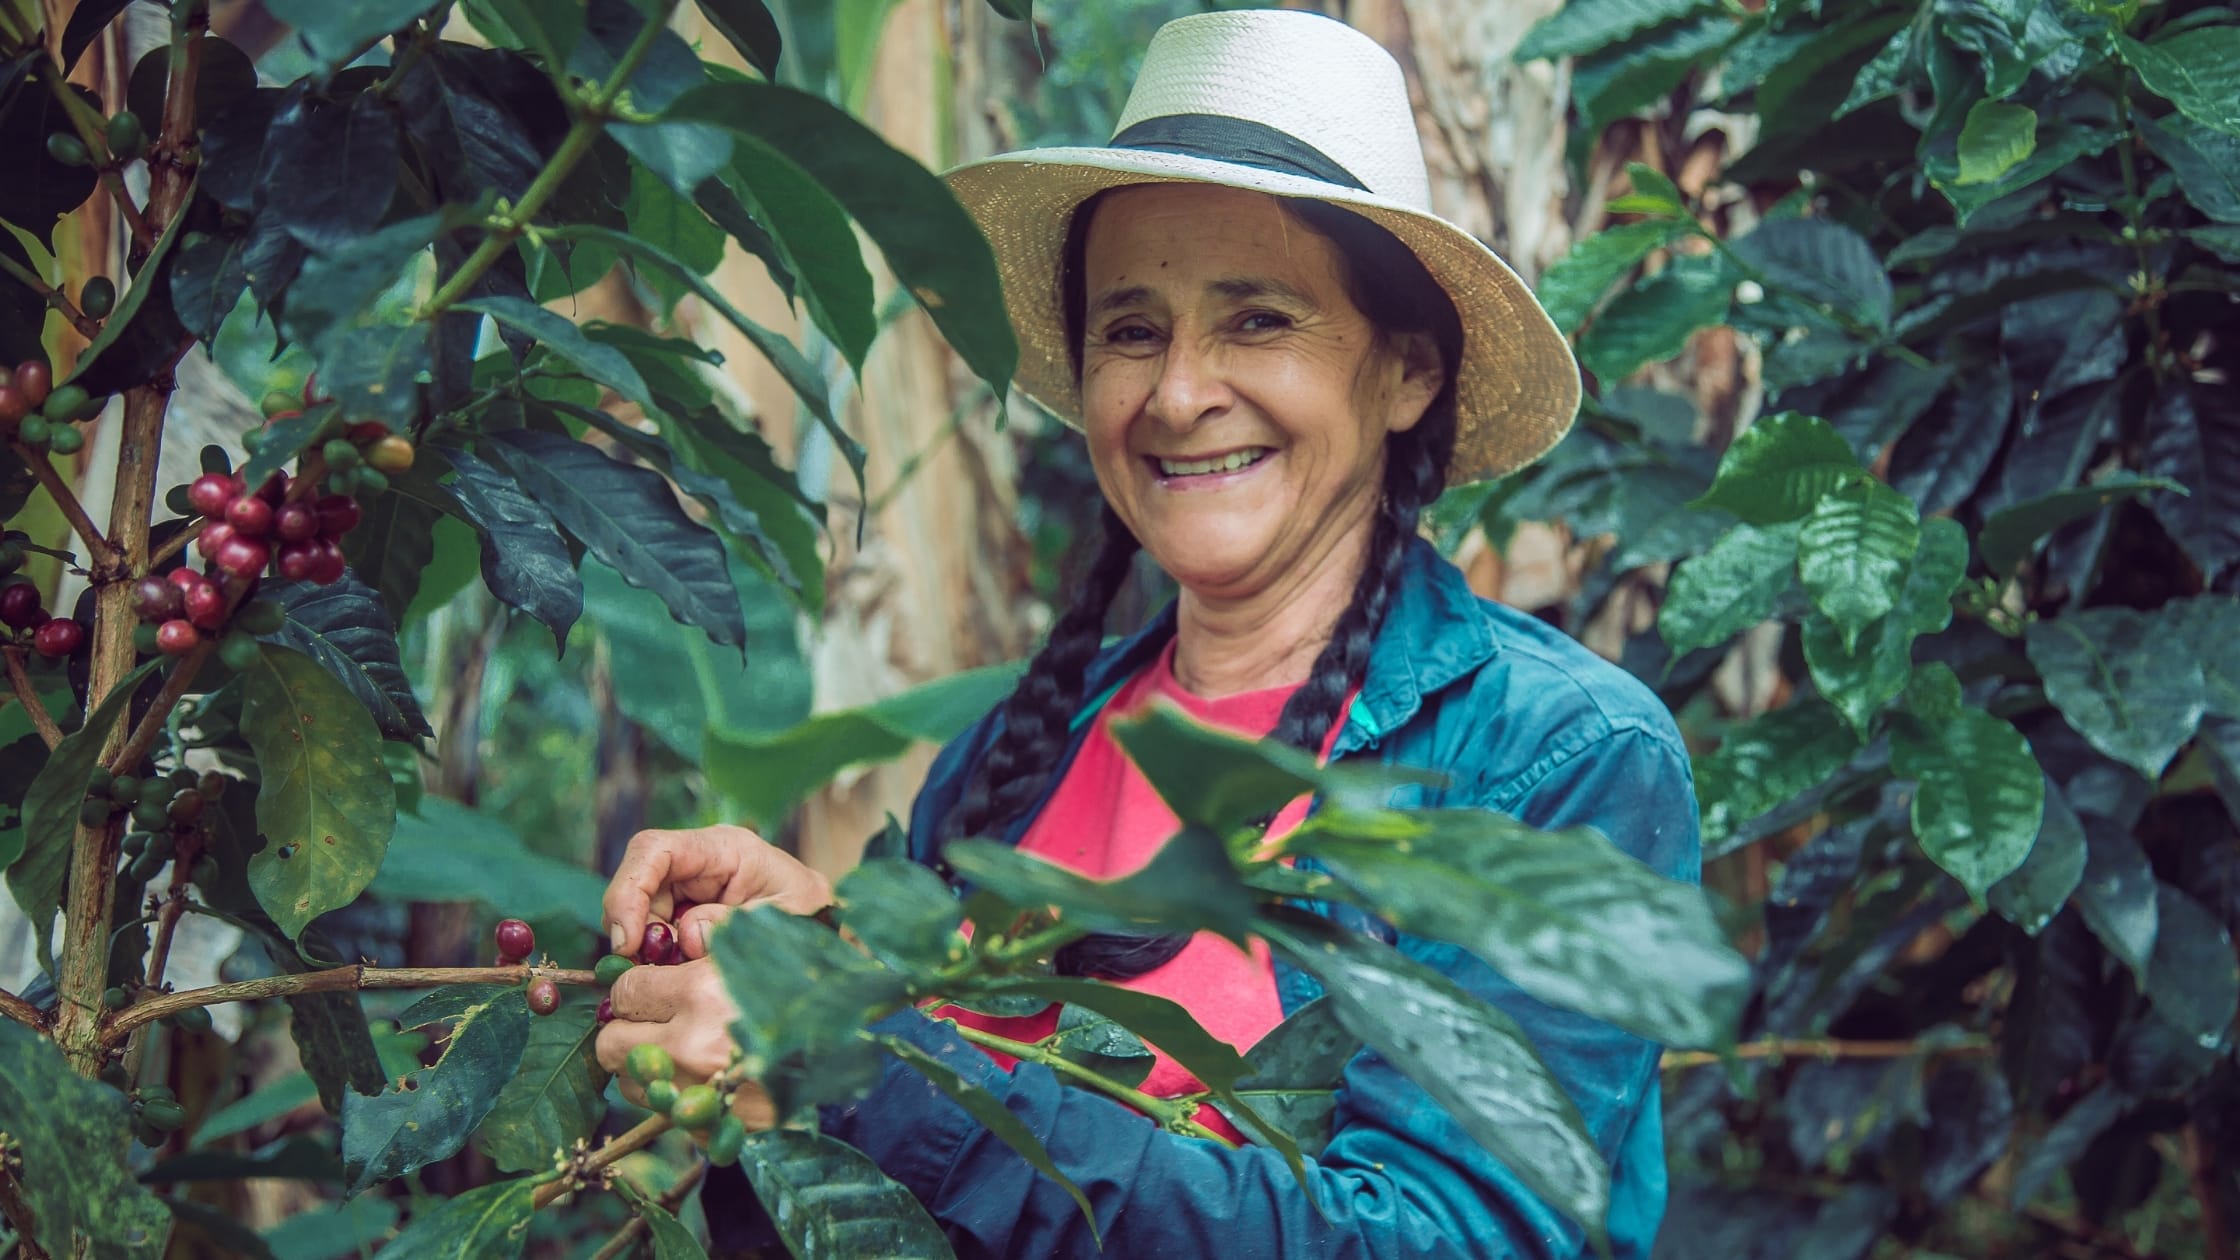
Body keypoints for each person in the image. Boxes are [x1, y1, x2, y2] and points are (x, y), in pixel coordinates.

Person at [595, 10, 1700, 1258]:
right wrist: (821, 961)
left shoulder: (1554, 759)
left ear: (1403, 373)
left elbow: (1430, 1240)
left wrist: (859, 1063)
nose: (1178, 394)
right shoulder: (1017, 751)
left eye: (1257, 319)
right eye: (1131, 329)